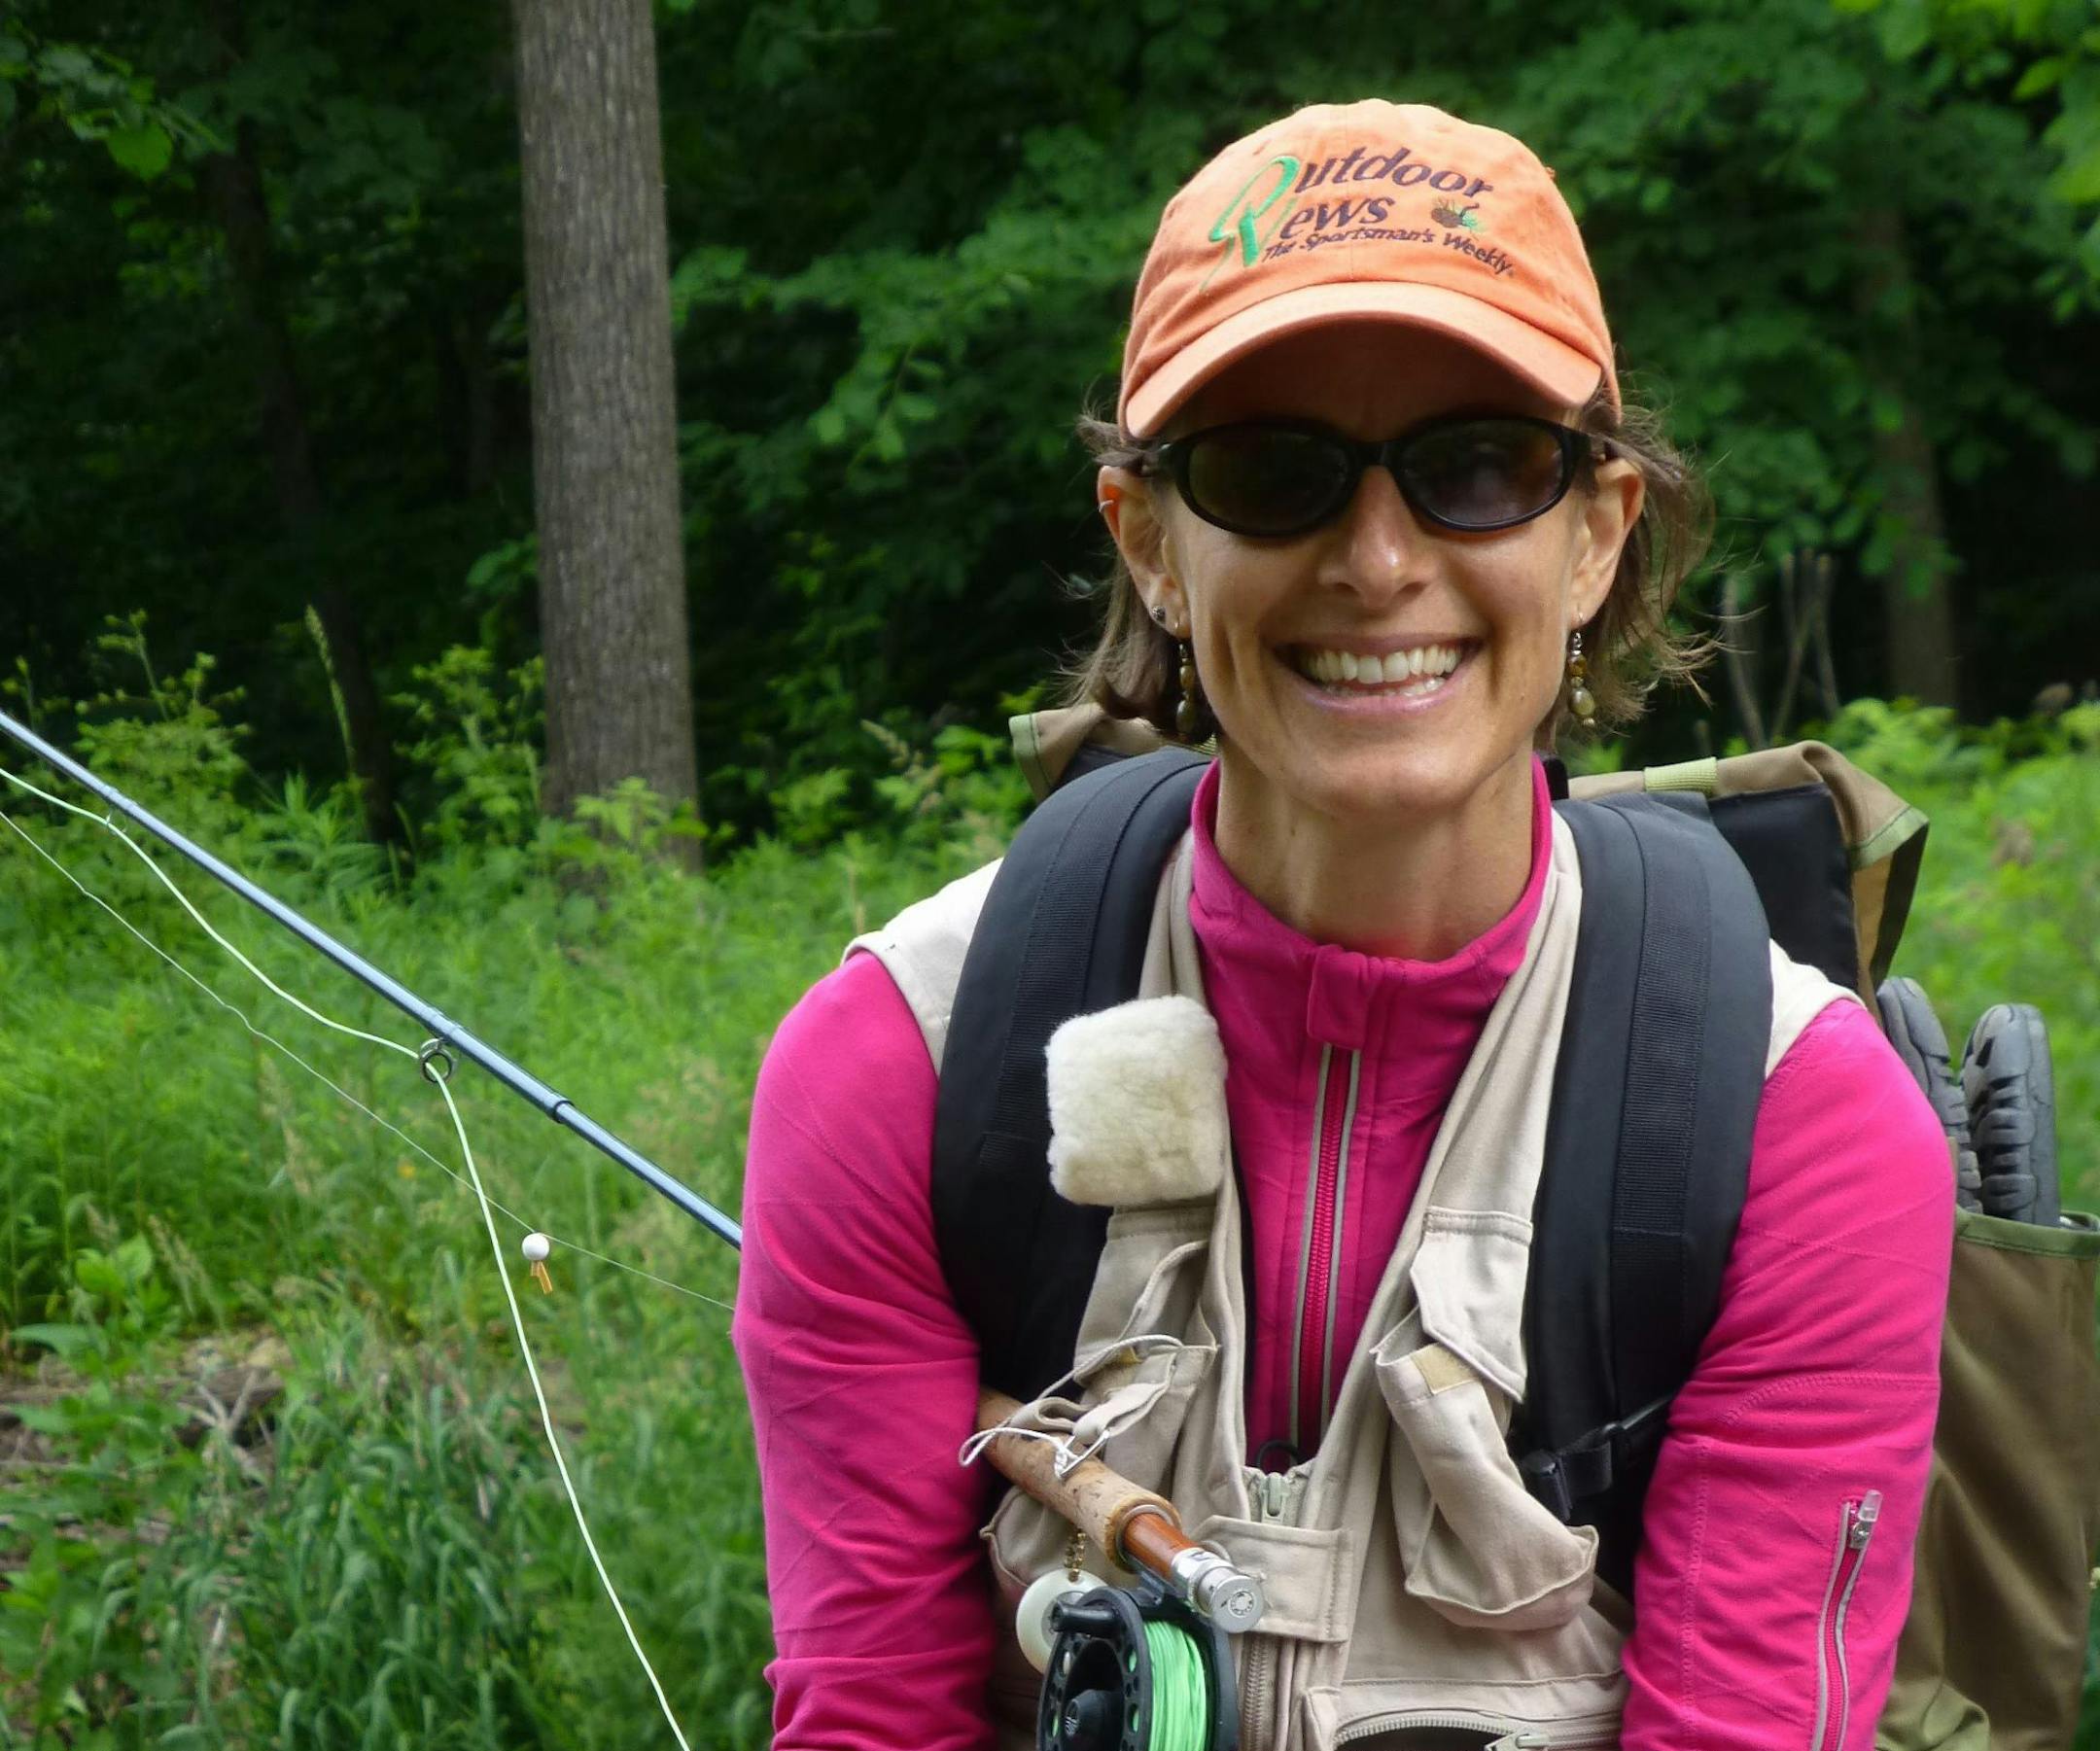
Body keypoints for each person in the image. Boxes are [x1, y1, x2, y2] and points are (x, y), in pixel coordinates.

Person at [734, 99, 1952, 1750]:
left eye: (1477, 463)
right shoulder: (894, 1067)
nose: (1378, 561)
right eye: (1274, 471)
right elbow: (873, 1715)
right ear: (1150, 542)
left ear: (1598, 533)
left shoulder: (1799, 1130)